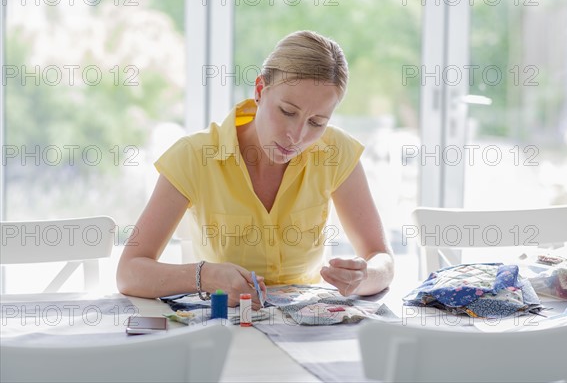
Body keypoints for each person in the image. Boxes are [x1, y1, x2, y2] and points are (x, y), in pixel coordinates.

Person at [117, 30, 394, 309]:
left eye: (317, 122)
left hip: (308, 331)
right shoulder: (194, 156)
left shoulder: (337, 152)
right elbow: (129, 272)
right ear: (260, 90)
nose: (296, 136)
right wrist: (204, 275)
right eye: (287, 111)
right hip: (228, 329)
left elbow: (381, 258)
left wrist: (363, 277)